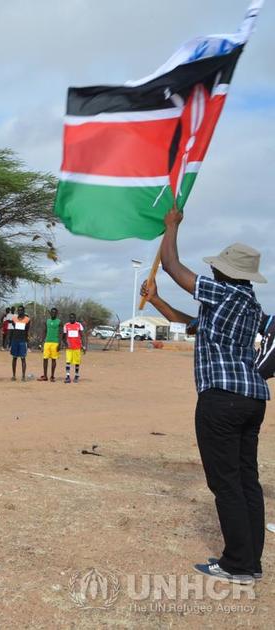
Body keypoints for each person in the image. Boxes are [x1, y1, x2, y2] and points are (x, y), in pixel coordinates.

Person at [155, 208, 268, 584]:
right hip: (253, 398)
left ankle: (237, 564)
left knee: (225, 483)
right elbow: (190, 325)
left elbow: (171, 264)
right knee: (246, 480)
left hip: (221, 399)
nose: (214, 271)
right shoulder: (251, 306)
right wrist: (155, 300)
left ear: (226, 273)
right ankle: (250, 561)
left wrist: (172, 226)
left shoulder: (222, 292)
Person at [62, 313, 86, 384]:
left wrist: (84, 346)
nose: (71, 319)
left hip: (77, 347)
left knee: (77, 362)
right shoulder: (66, 325)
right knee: (68, 361)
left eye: (73, 318)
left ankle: (76, 375)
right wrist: (66, 343)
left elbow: (82, 336)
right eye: (70, 318)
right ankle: (67, 376)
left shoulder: (79, 325)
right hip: (69, 348)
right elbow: (63, 337)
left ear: (75, 318)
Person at [40, 308, 62, 382]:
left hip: (55, 342)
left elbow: (61, 333)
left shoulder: (59, 322)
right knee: (45, 359)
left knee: (53, 359)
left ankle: (52, 376)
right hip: (47, 342)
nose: (53, 314)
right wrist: (42, 342)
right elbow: (44, 331)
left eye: (54, 312)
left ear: (57, 313)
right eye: (52, 312)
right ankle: (45, 376)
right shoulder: (47, 321)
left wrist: (60, 343)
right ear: (50, 313)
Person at [9, 306, 30, 382]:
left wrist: (27, 341)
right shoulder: (14, 319)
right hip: (15, 340)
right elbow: (13, 329)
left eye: (21, 310)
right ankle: (13, 375)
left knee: (23, 358)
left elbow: (27, 330)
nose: (20, 312)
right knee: (14, 358)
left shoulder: (27, 319)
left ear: (24, 311)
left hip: (22, 340)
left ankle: (23, 376)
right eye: (19, 310)